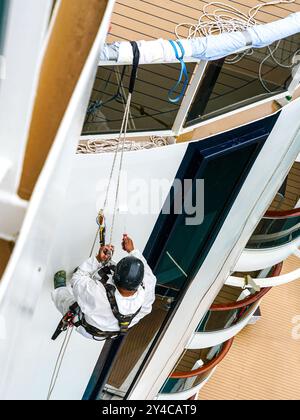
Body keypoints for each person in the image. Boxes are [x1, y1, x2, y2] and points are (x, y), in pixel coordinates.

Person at [52, 235, 157, 340]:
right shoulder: (149, 284)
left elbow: (77, 278)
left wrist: (98, 259)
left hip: (89, 327)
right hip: (110, 331)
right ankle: (86, 279)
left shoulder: (97, 294)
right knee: (89, 285)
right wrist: (132, 250)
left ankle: (59, 289)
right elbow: (143, 267)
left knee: (67, 302)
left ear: (115, 278)